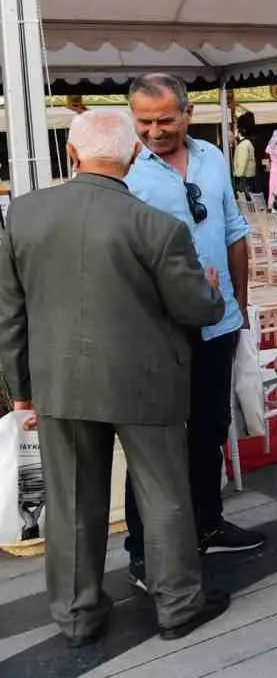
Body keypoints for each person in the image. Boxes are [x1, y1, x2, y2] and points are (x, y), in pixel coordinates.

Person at [0, 110, 230, 644]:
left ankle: (77, 615)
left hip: (58, 380)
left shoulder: (25, 215)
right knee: (164, 494)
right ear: (130, 157)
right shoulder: (156, 226)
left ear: (72, 156)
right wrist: (212, 287)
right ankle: (177, 606)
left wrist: (19, 391)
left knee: (72, 502)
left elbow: (10, 311)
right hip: (145, 381)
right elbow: (198, 309)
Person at [122, 73, 261, 590]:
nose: (154, 131)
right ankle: (143, 551)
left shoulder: (213, 158)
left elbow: (234, 233)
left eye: (164, 119)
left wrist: (239, 307)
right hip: (163, 330)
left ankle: (208, 523)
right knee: (155, 443)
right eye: (144, 121)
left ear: (187, 114)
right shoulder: (127, 170)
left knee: (209, 429)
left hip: (219, 322)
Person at [231, 131, 256, 196]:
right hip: (247, 174)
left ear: (239, 134)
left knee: (244, 196)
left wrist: (238, 174)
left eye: (235, 133)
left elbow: (243, 160)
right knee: (248, 195)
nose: (234, 135)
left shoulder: (243, 145)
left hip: (244, 175)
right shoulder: (247, 143)